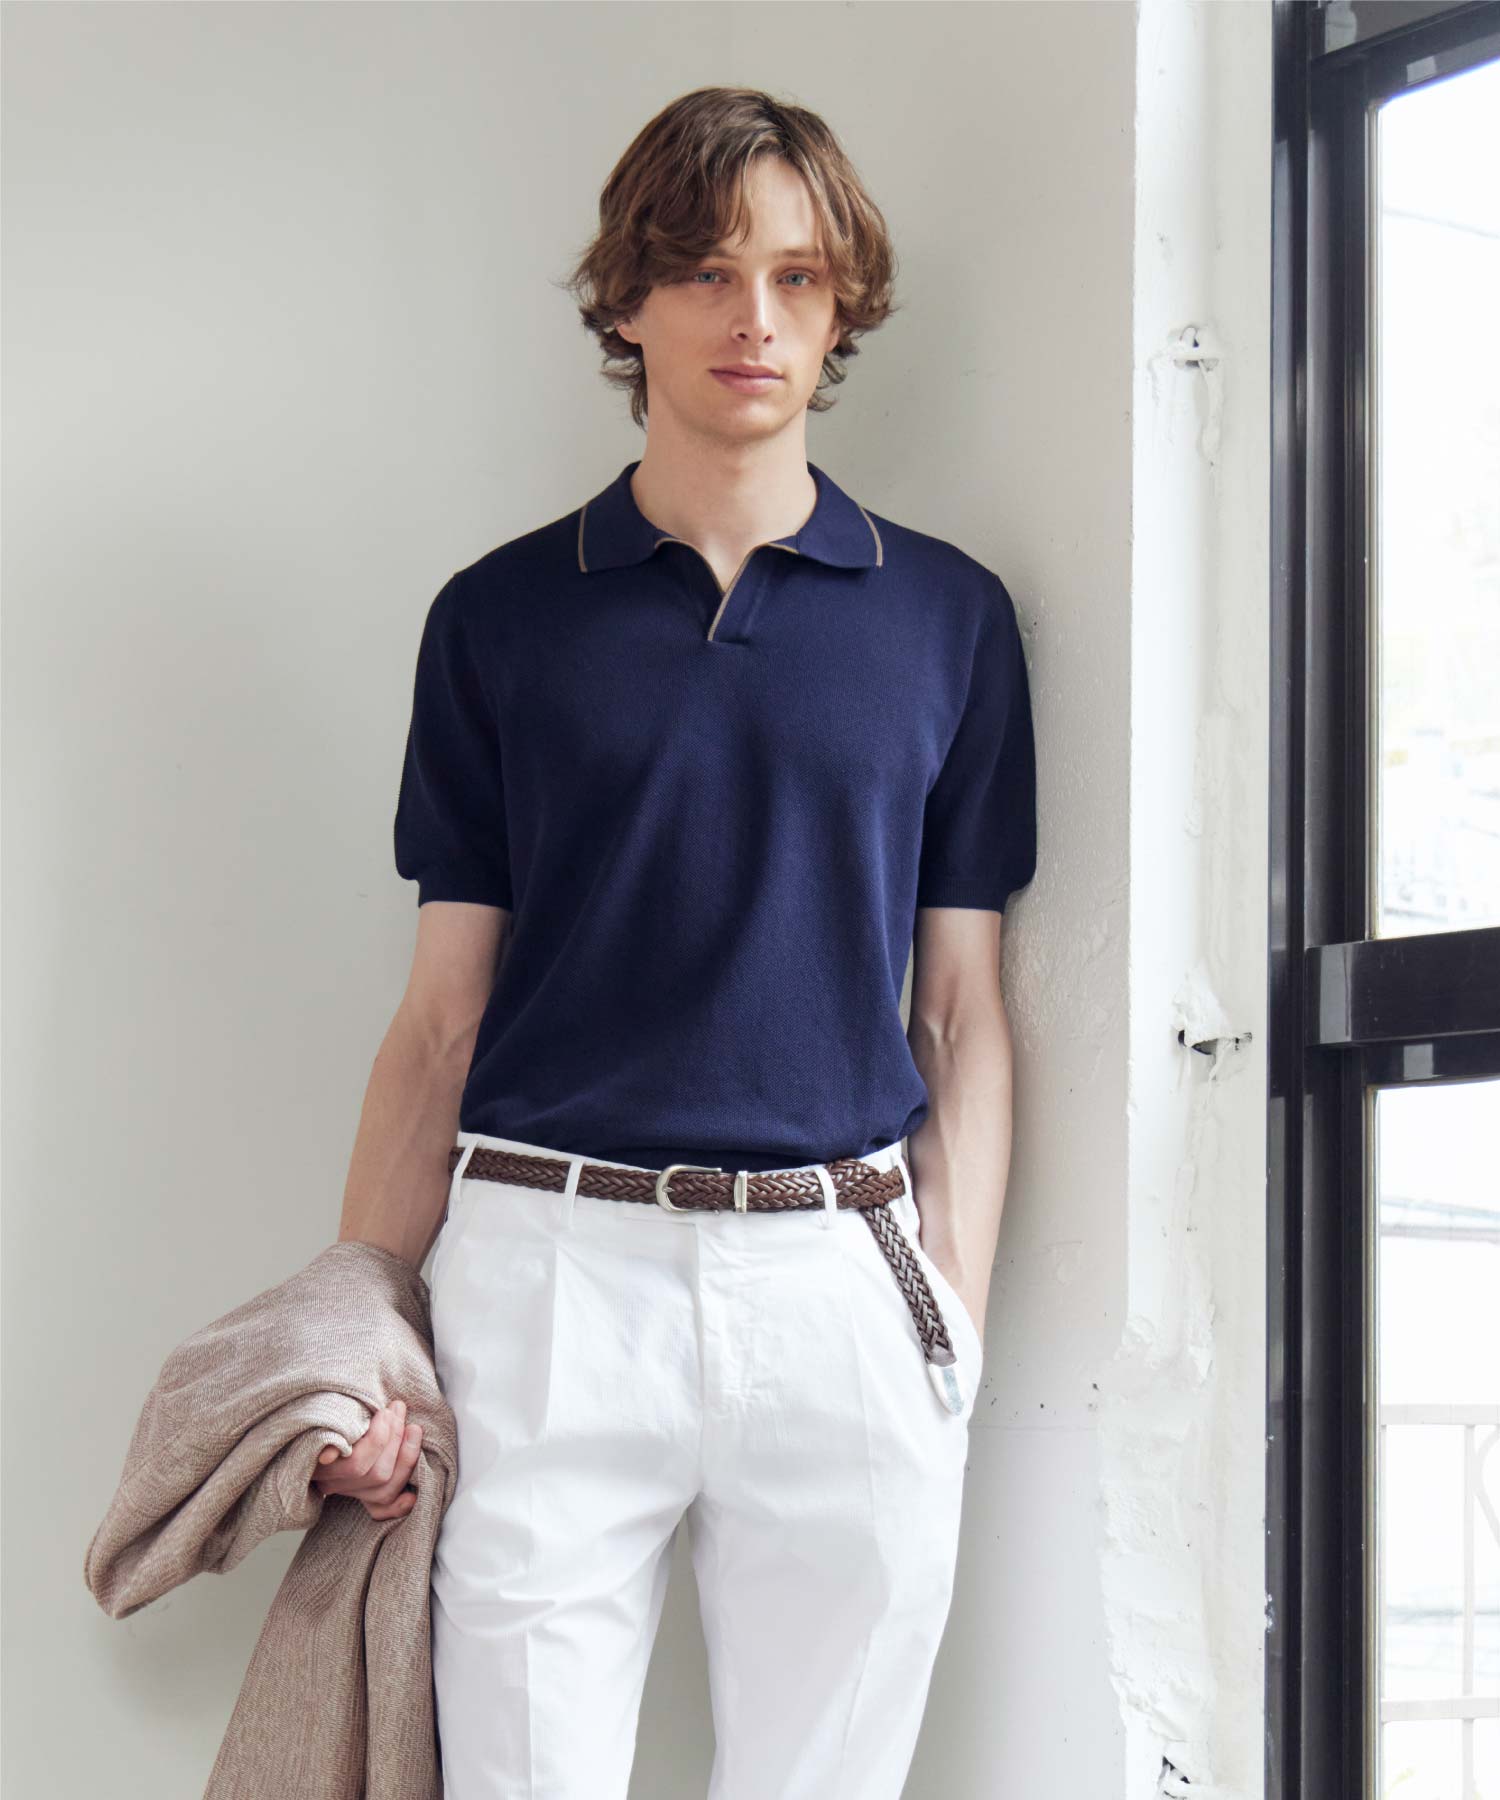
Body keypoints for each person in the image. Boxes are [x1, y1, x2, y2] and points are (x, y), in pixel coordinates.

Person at [316, 84, 1037, 1800]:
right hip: (550, 1275)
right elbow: (440, 1023)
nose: (755, 317)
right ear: (626, 302)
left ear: (842, 308)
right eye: (708, 272)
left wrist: (950, 1317)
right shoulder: (497, 619)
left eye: (798, 277)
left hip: (846, 1276)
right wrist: (361, 1338)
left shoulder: (950, 619)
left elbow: (962, 1011)